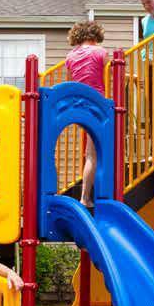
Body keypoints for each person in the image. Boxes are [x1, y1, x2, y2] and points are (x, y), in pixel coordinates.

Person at [65, 20, 109, 208]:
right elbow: (112, 75)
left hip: (78, 104)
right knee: (94, 153)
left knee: (91, 151)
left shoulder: (70, 56)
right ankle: (85, 197)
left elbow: (70, 81)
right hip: (97, 104)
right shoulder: (100, 52)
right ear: (95, 35)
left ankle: (88, 194)